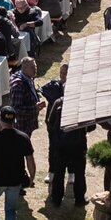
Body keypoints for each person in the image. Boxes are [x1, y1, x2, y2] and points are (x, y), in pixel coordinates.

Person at [43, 63, 87, 206]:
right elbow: (90, 126)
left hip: (61, 144)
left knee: (59, 172)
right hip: (78, 144)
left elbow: (50, 122)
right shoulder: (81, 106)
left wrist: (55, 136)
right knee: (80, 173)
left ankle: (56, 199)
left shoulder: (58, 102)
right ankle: (80, 200)